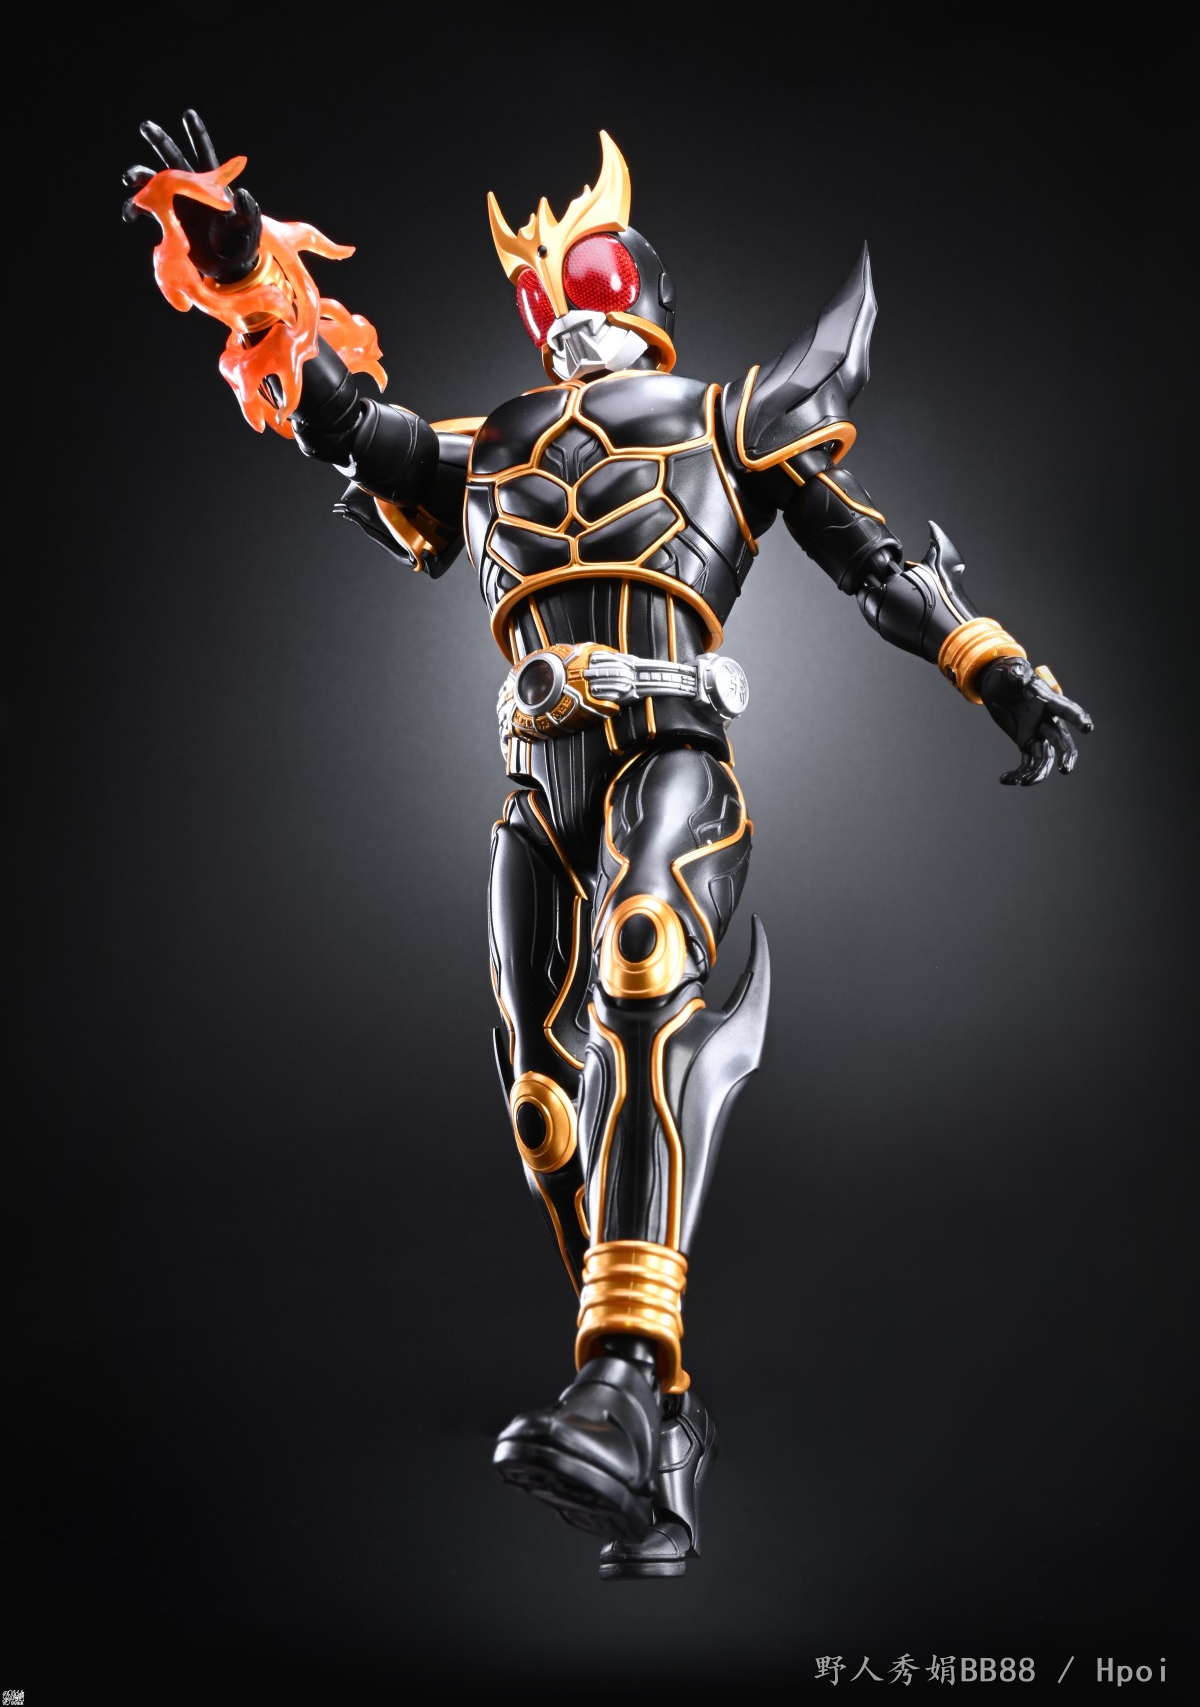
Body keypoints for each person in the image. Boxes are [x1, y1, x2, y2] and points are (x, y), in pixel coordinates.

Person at [122, 111, 1093, 1581]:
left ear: (632, 283)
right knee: (542, 1107)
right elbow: (337, 416)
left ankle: (623, 1376)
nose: (555, 307)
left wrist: (995, 666)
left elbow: (871, 556)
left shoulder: (729, 418)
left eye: (575, 274)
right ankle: (660, 1428)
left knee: (644, 956)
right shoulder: (488, 447)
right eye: (537, 291)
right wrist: (249, 270)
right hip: (537, 784)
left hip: (668, 754)